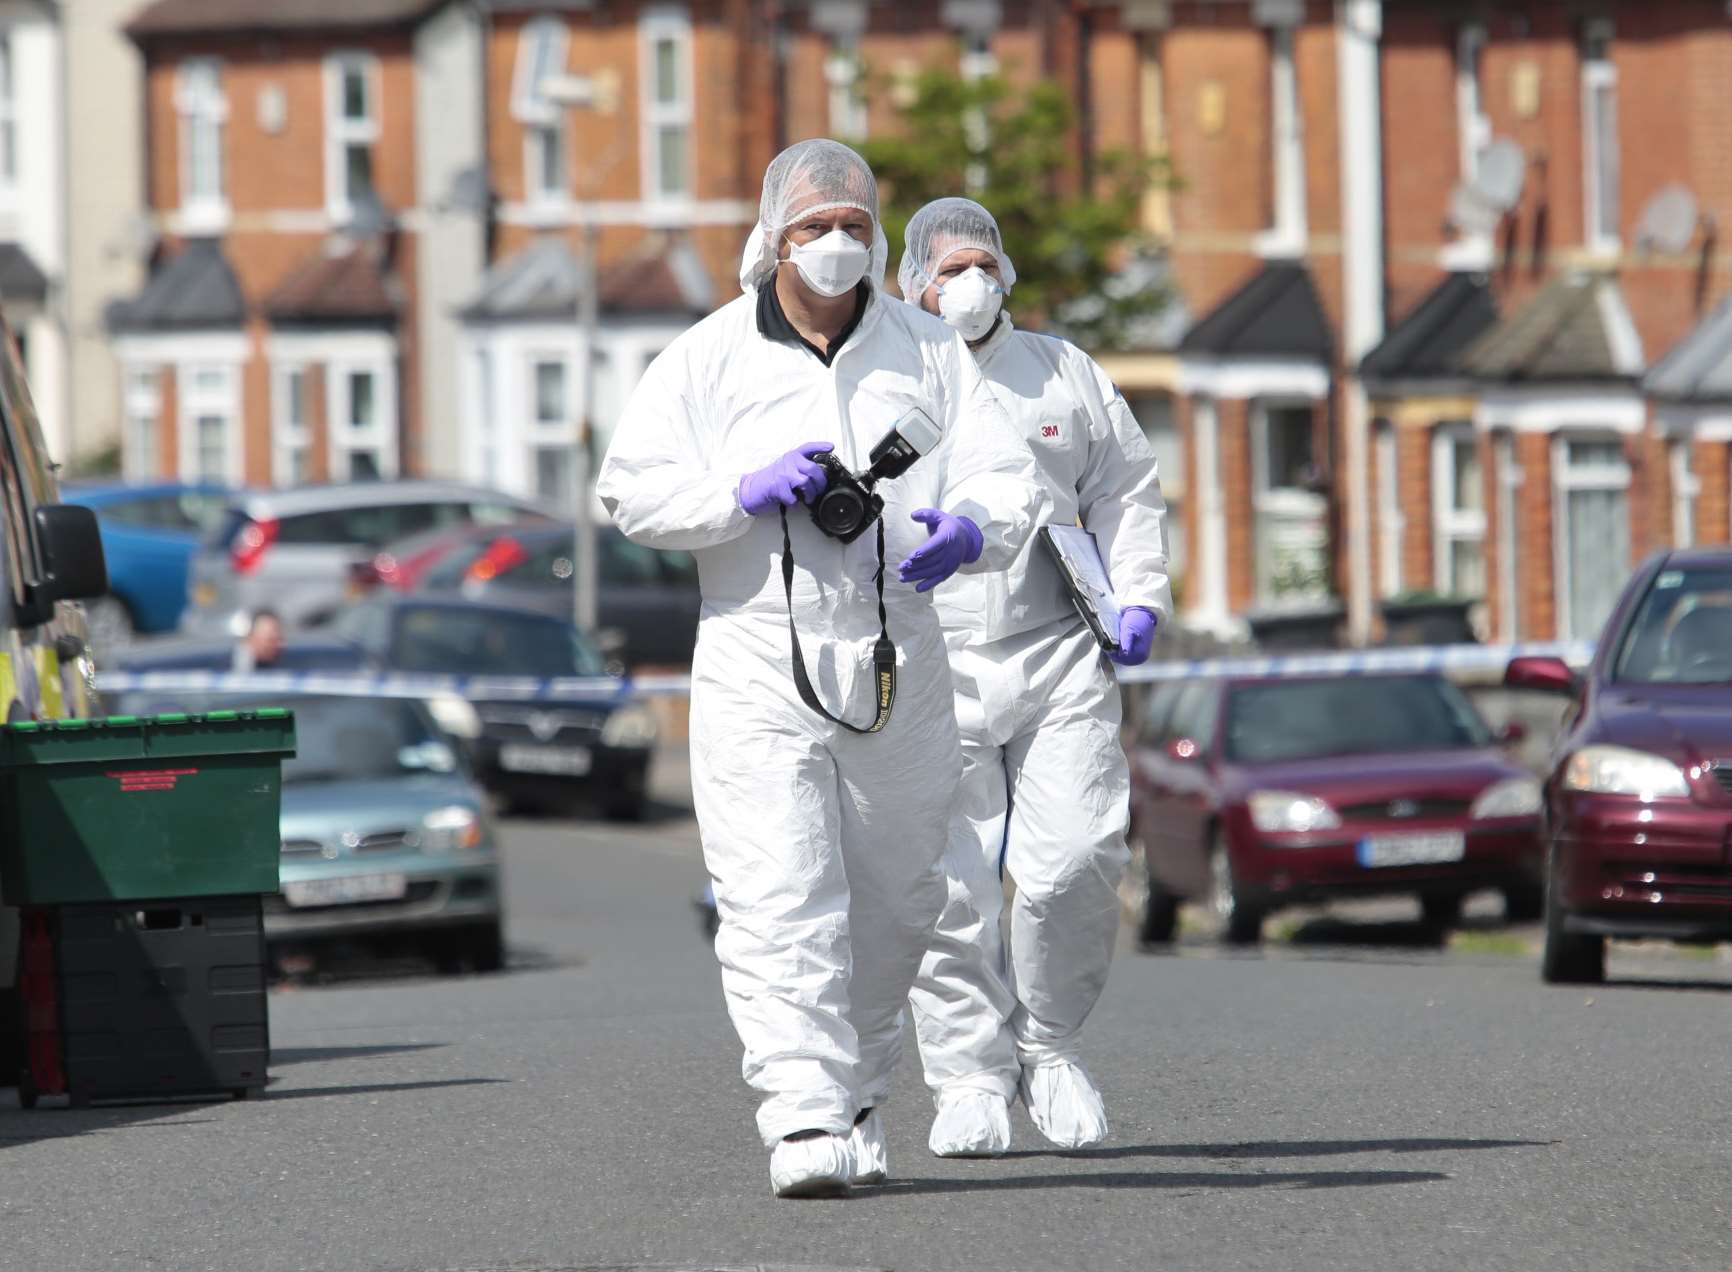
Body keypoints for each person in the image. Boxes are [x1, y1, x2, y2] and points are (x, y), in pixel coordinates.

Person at [596, 143, 1044, 1198]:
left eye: (852, 224)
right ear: (772, 237)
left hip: (899, 651)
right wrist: (736, 494)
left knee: (895, 901)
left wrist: (969, 528)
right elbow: (629, 492)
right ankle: (800, 1117)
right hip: (757, 649)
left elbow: (1002, 469)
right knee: (779, 891)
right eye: (812, 227)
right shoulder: (709, 358)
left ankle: (855, 1094)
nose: (835, 245)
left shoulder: (929, 349)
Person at [896, 197, 1171, 1157]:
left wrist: (1137, 594)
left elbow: (1126, 487)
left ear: (1006, 272)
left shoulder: (1066, 373)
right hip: (936, 656)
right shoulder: (897, 373)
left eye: (982, 261)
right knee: (951, 883)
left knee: (1075, 864)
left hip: (1058, 647)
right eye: (947, 267)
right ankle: (968, 1079)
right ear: (914, 282)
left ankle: (1048, 1048)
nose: (967, 282)